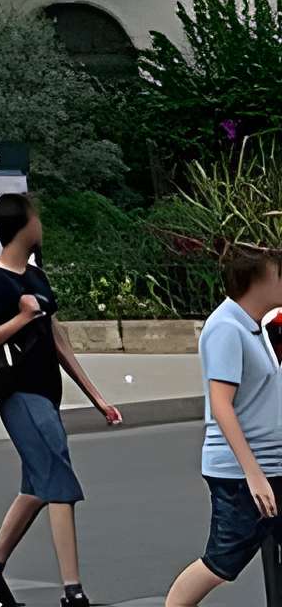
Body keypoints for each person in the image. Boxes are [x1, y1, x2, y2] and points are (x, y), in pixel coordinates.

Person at [0, 189, 122, 607]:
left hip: (46, 394)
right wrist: (20, 318)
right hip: (19, 395)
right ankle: (73, 592)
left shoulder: (35, 276)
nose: (41, 223)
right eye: (36, 216)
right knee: (59, 482)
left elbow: (58, 340)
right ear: (23, 226)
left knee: (39, 485)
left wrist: (97, 398)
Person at [161, 242, 282, 604]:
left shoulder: (253, 327)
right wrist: (253, 473)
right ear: (256, 280)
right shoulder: (226, 328)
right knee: (222, 561)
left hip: (269, 463)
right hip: (241, 473)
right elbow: (221, 405)